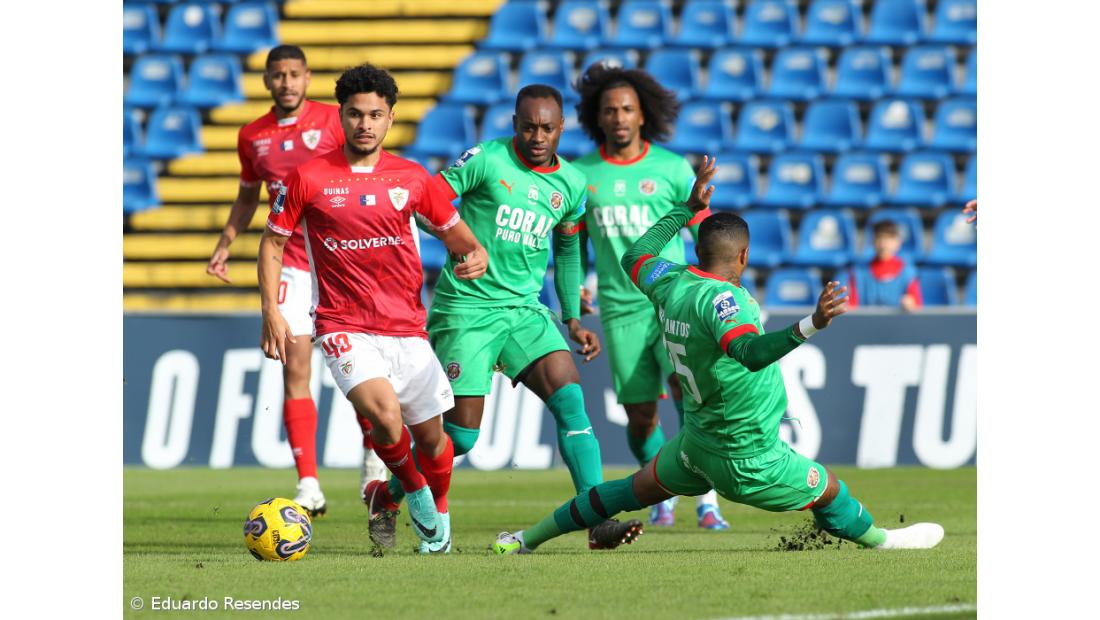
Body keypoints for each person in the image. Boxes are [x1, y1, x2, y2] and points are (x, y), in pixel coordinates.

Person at [492, 157, 944, 554]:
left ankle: (525, 539)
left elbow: (636, 253)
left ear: (699, 249)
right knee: (829, 489)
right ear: (743, 256)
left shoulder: (669, 281)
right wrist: (812, 324)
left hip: (696, 447)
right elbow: (747, 351)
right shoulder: (727, 302)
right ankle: (885, 541)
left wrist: (683, 209)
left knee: (625, 491)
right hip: (746, 456)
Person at [365, 84, 614, 548]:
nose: (537, 136)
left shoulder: (573, 183)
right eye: (528, 126)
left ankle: (596, 519)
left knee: (572, 403)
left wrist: (571, 318)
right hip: (468, 309)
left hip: (524, 311)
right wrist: (460, 243)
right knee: (458, 437)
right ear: (515, 124)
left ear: (562, 129)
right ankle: (388, 493)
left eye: (547, 128)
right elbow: (425, 202)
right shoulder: (486, 159)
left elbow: (567, 247)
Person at [258, 64, 488, 554]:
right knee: (384, 416)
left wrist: (475, 254)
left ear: (390, 119)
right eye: (356, 113)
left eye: (376, 115)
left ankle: (390, 497)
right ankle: (422, 499)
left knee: (434, 442)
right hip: (344, 325)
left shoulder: (413, 178)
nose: (365, 123)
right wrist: (273, 313)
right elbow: (273, 244)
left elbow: (457, 237)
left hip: (406, 328)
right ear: (340, 116)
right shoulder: (309, 177)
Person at [205, 45, 386, 516]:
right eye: (277, 75)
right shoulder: (252, 136)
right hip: (290, 262)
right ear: (266, 81)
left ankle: (372, 458)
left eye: (294, 74)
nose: (286, 82)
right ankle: (309, 483)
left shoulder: (337, 119)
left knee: (357, 371)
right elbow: (247, 198)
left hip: (339, 259)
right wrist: (226, 241)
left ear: (307, 78)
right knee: (295, 367)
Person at [571, 63, 728, 530]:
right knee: (640, 416)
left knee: (687, 391)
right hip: (620, 309)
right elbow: (572, 242)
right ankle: (664, 487)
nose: (618, 117)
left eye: (627, 109)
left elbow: (704, 233)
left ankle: (707, 500)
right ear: (597, 118)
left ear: (643, 115)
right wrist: (575, 287)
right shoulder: (581, 174)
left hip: (673, 299)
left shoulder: (672, 168)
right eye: (610, 110)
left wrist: (713, 287)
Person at [847, 220, 922, 311]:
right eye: (879, 238)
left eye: (889, 238)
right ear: (873, 242)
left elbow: (917, 306)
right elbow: (852, 307)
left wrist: (910, 304)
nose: (883, 244)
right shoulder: (859, 273)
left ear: (898, 242)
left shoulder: (908, 273)